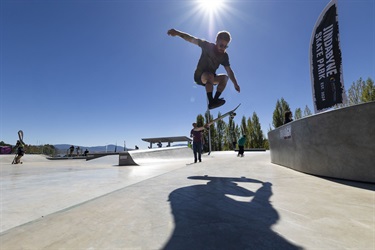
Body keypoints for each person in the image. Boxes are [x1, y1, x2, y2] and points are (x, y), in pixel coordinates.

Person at [167, 28, 240, 109]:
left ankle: (214, 100)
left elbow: (229, 71)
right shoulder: (207, 46)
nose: (222, 48)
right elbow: (191, 39)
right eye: (221, 45)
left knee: (225, 78)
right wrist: (177, 33)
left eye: (225, 46)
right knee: (210, 75)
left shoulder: (224, 56)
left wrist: (235, 84)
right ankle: (211, 101)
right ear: (216, 42)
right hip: (199, 76)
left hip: (211, 78)